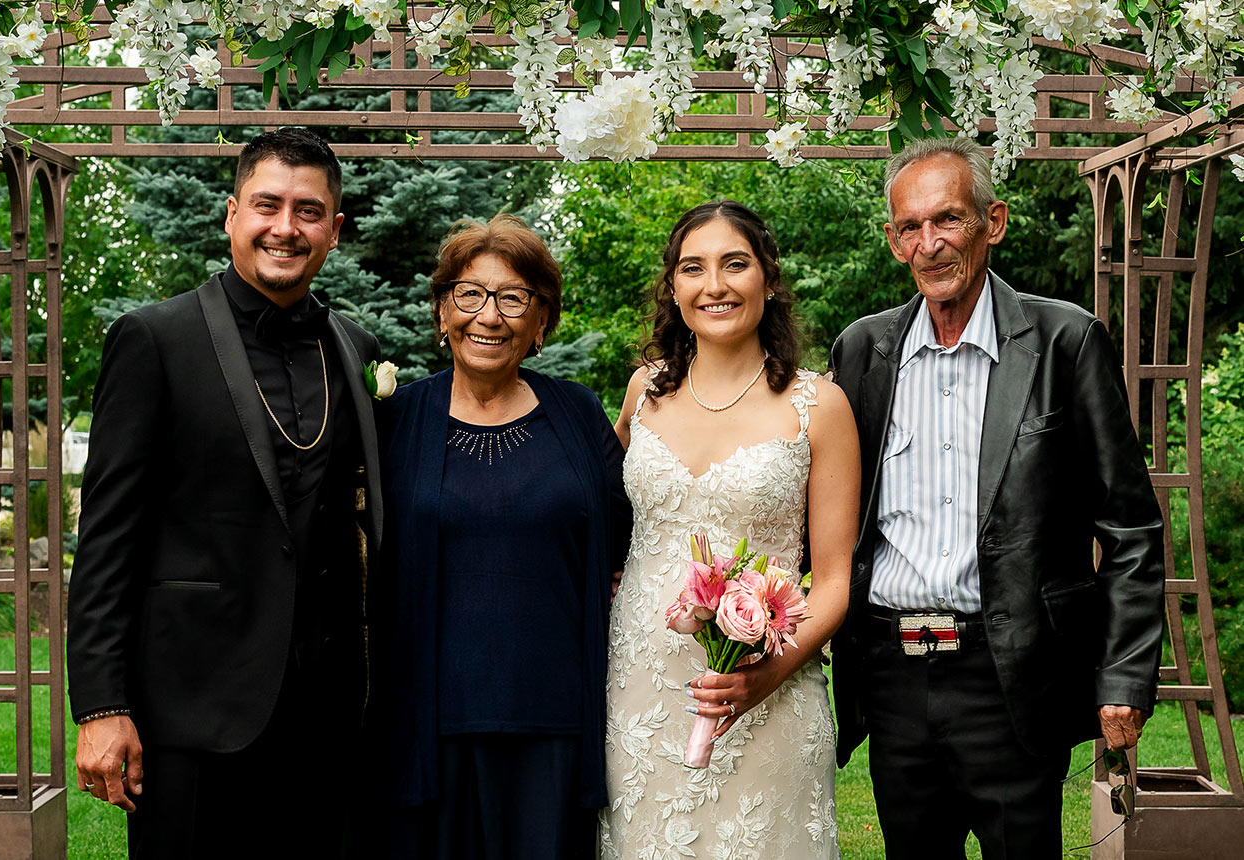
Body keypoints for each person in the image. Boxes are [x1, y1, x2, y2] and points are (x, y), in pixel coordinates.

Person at [829, 136, 1166, 857]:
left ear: (994, 222)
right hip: (892, 674)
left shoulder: (1063, 341)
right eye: (910, 228)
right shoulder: (861, 352)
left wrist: (1124, 674)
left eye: (947, 219)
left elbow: (1130, 525)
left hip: (1013, 673)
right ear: (892, 243)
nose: (929, 244)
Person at [67, 128, 382, 858]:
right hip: (191, 710)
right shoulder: (154, 339)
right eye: (267, 205)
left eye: (307, 212)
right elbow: (108, 536)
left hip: (326, 714)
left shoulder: (354, 346)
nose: (285, 227)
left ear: (333, 230)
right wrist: (102, 706)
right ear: (231, 213)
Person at [600, 201, 860, 858]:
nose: (713, 285)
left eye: (733, 264)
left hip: (770, 683)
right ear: (674, 288)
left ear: (768, 279)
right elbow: (599, 514)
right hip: (640, 688)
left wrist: (764, 676)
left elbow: (832, 579)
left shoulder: (818, 406)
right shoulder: (642, 392)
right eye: (692, 268)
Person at [372, 215, 631, 859]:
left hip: (555, 729)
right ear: (442, 311)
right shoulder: (397, 421)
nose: (489, 315)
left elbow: (625, 541)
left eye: (514, 298)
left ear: (540, 322)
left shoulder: (577, 414)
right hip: (428, 731)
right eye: (470, 294)